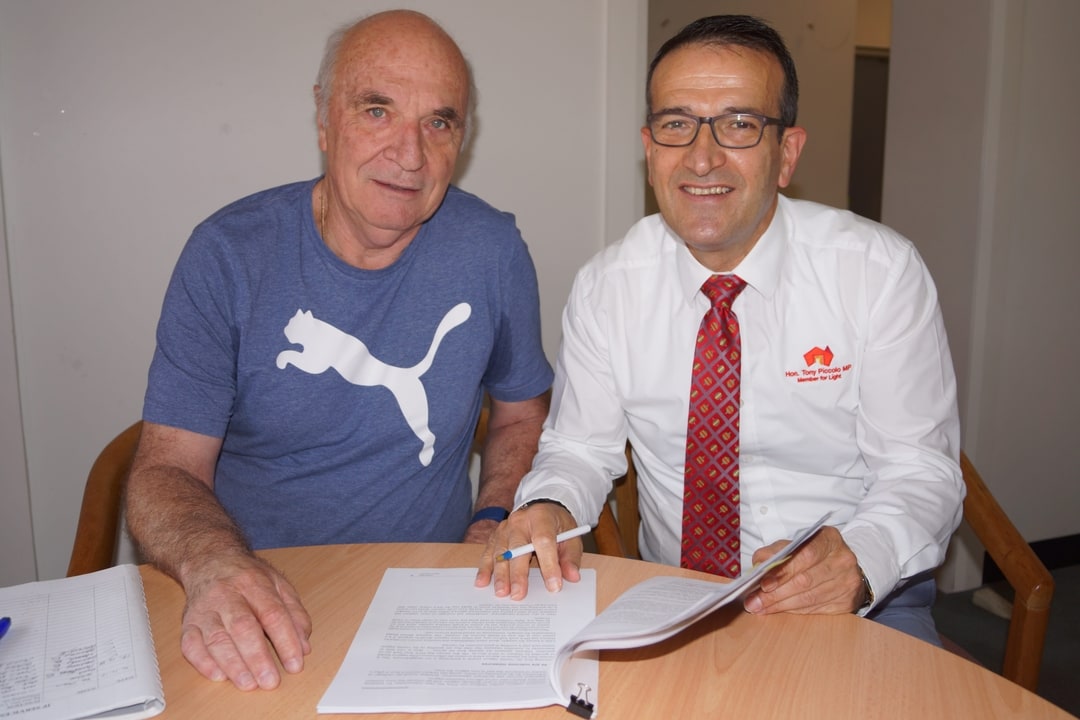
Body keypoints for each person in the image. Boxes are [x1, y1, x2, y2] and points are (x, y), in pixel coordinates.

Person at [476, 14, 964, 645]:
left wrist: (860, 559)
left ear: (786, 154)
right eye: (677, 124)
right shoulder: (608, 286)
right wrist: (548, 505)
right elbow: (579, 450)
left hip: (856, 598)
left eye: (739, 124)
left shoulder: (876, 272)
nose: (701, 157)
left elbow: (922, 470)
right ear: (650, 150)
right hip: (675, 600)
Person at [125, 10, 553, 691]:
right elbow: (163, 471)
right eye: (378, 111)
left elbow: (523, 414)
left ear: (461, 141)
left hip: (433, 600)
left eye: (438, 123)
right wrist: (216, 565)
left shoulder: (492, 251)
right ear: (324, 120)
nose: (410, 155)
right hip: (257, 599)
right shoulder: (228, 255)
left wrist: (491, 518)